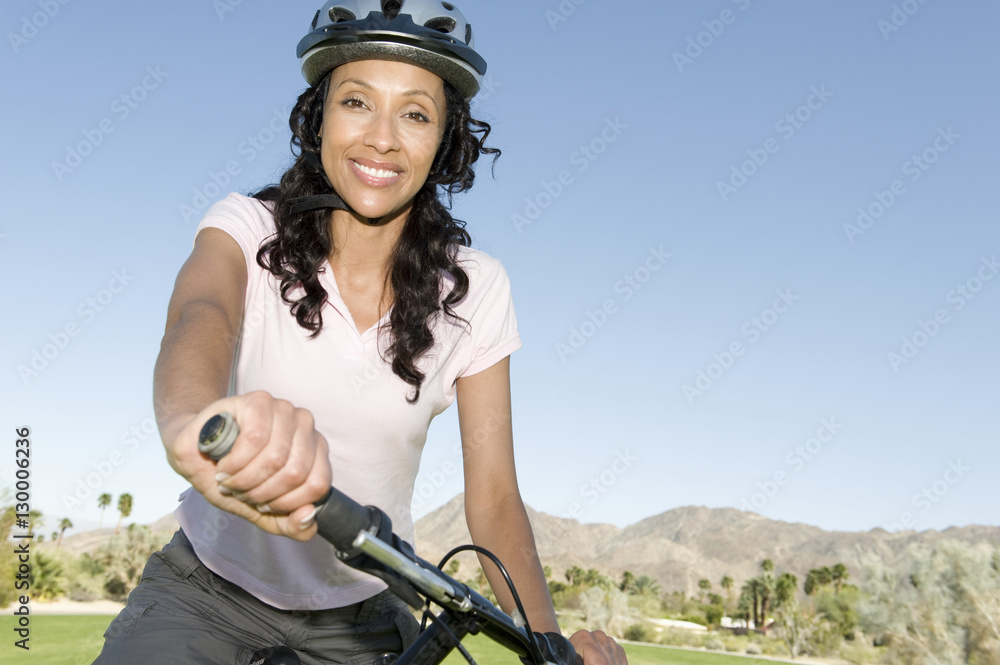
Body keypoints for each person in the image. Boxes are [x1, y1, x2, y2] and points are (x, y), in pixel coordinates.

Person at [94, 2, 628, 664]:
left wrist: (549, 644)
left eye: (415, 114)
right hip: (207, 590)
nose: (382, 138)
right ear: (319, 118)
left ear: (444, 141)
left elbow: (493, 496)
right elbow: (199, 315)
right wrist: (192, 426)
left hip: (367, 619)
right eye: (356, 102)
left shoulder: (479, 287)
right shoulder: (247, 227)